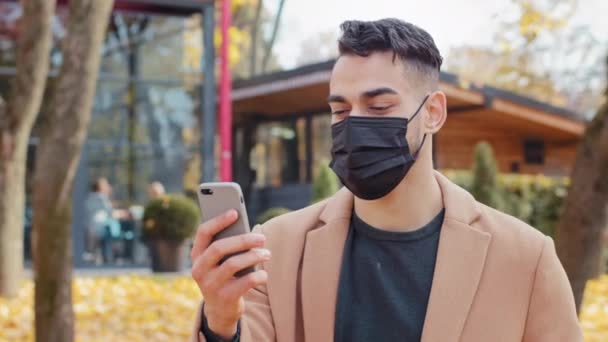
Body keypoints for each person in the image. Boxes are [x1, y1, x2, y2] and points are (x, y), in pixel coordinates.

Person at [190, 19, 582, 342]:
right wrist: (221, 322)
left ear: (433, 113)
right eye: (341, 110)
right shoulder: (274, 249)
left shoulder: (527, 258)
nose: (356, 123)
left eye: (379, 107)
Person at [84, 177, 128, 264]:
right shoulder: (102, 197)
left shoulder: (89, 197)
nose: (108, 186)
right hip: (101, 228)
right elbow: (110, 213)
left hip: (91, 228)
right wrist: (124, 214)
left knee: (97, 246)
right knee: (111, 240)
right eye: (106, 185)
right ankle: (113, 258)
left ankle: (102, 258)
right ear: (101, 186)